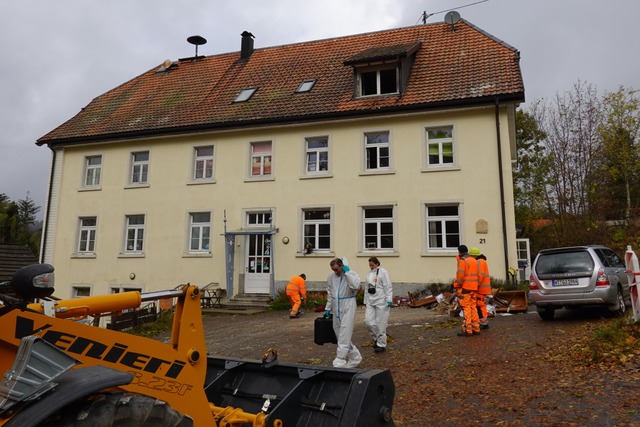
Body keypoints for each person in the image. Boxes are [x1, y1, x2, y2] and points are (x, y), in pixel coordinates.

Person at [325, 257, 362, 368]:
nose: (335, 272)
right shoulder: (331, 277)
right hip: (337, 306)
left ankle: (340, 359)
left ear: (341, 266)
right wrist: (328, 308)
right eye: (333, 270)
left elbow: (356, 286)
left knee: (345, 332)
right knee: (339, 334)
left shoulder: (351, 274)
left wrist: (348, 273)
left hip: (348, 304)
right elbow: (330, 293)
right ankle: (355, 357)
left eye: (336, 269)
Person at [364, 256, 393, 353]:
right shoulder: (369, 273)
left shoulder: (383, 272)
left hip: (381, 300)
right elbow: (366, 287)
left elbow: (388, 286)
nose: (371, 267)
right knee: (368, 322)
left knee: (381, 323)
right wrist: (365, 300)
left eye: (372, 265)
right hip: (371, 300)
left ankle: (381, 344)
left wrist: (389, 298)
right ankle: (376, 337)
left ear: (377, 263)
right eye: (369, 265)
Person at [454, 245, 480, 336]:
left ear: (459, 252)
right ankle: (476, 328)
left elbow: (460, 277)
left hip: (465, 288)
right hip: (474, 288)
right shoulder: (474, 260)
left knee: (466, 308)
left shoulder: (463, 261)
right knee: (473, 307)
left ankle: (467, 330)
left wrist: (456, 285)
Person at [469, 247, 491, 329]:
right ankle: (482, 321)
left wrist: (475, 286)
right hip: (482, 288)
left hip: (480, 288)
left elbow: (479, 276)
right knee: (480, 305)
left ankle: (483, 323)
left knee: (480, 304)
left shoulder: (479, 262)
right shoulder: (481, 261)